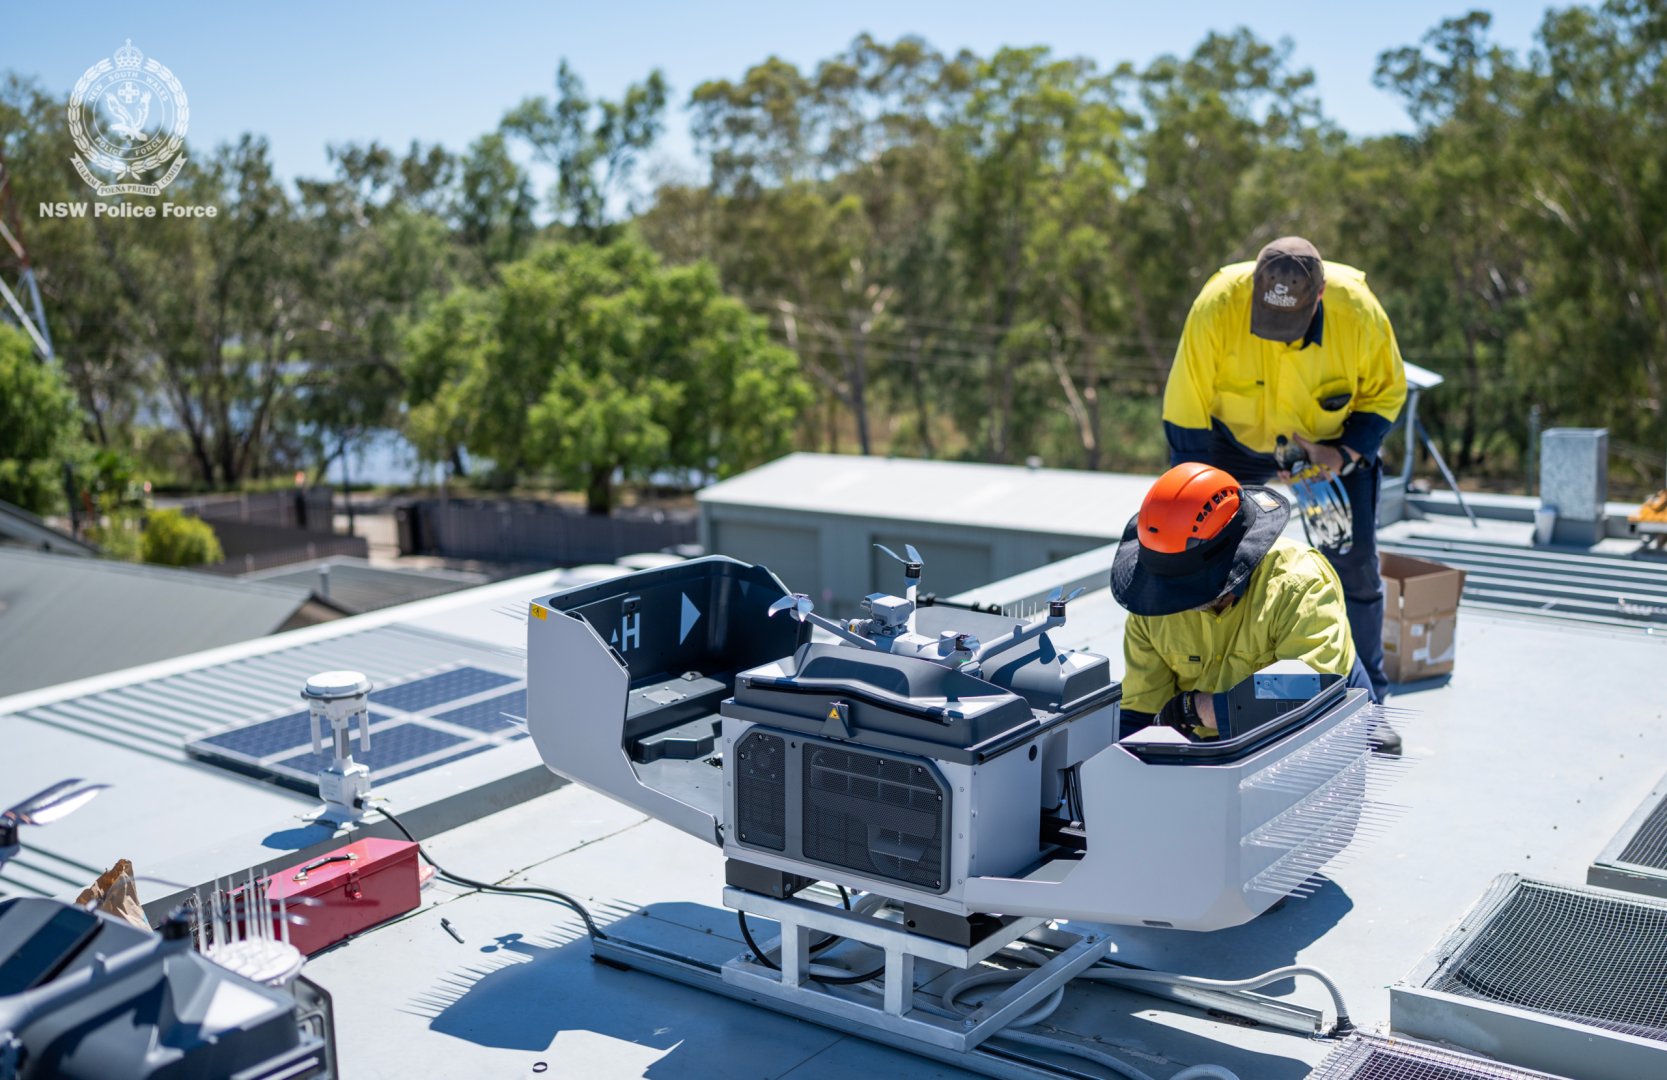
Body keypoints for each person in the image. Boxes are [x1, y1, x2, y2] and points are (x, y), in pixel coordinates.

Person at [1162, 237, 1406, 720]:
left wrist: (1343, 452)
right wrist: (1189, 511)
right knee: (1207, 561)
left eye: (1290, 326)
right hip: (1234, 444)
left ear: (1320, 297)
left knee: (1353, 564)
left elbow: (1386, 394)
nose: (1277, 337)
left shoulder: (1359, 310)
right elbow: (1185, 407)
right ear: (1253, 288)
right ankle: (1222, 694)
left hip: (1327, 448)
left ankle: (1367, 701)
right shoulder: (1217, 304)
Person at [1111, 462, 1381, 746]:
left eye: (1182, 587)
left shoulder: (1302, 584)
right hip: (1217, 737)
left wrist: (1204, 709)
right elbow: (1141, 712)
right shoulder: (1154, 602)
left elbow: (1307, 693)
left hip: (1318, 724)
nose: (1171, 599)